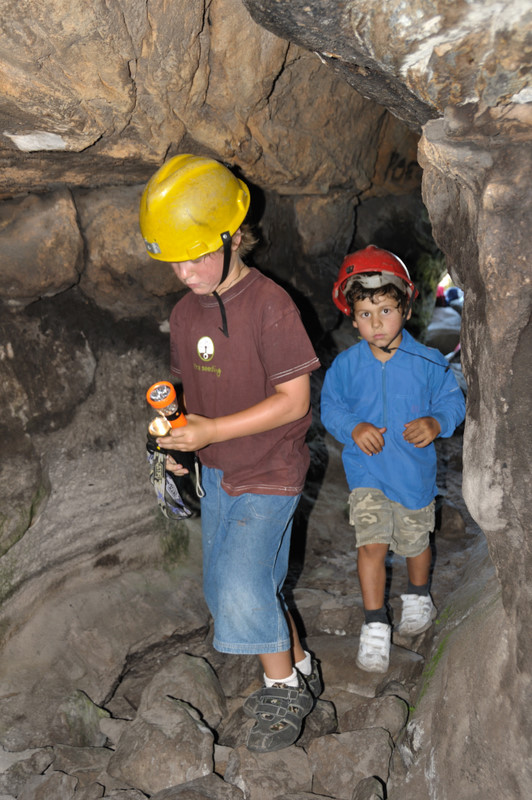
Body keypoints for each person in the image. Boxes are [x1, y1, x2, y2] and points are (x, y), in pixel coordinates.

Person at [139, 154, 322, 751]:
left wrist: (212, 431)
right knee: (228, 590)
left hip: (270, 469)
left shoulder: (271, 305)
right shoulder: (184, 311)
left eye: (197, 255)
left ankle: (280, 691)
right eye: (175, 261)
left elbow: (294, 400)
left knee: (242, 586)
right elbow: (183, 392)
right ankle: (298, 668)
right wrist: (177, 444)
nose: (186, 272)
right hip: (217, 474)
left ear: (232, 235)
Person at [321, 245, 466, 673]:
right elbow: (330, 406)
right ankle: (374, 625)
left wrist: (437, 423)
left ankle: (419, 595)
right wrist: (353, 428)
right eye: (365, 314)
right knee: (371, 545)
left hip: (413, 476)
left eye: (385, 310)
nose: (376, 323)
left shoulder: (429, 362)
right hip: (367, 474)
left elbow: (452, 402)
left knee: (416, 543)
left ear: (406, 304)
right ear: (352, 316)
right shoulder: (345, 366)